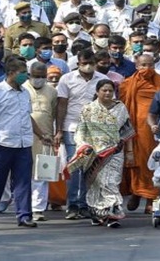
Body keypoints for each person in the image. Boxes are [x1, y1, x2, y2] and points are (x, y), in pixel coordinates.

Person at [0, 58, 51, 227]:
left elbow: (28, 116)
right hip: (2, 143)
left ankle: (24, 216)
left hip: (23, 143)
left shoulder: (25, 92)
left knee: (23, 181)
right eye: (22, 72)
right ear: (11, 73)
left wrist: (41, 135)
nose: (25, 75)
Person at [56, 49, 108, 220]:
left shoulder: (102, 80)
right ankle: (72, 205)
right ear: (77, 63)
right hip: (72, 128)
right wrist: (59, 130)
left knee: (90, 168)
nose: (87, 66)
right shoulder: (67, 79)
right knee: (74, 167)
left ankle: (84, 204)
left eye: (91, 63)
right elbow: (62, 105)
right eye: (84, 63)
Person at [72, 79, 130, 227]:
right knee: (95, 184)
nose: (108, 93)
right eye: (104, 90)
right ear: (97, 92)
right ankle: (97, 213)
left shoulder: (120, 108)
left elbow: (126, 129)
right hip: (93, 152)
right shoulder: (88, 109)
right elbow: (81, 130)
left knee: (111, 182)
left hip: (114, 151)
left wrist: (120, 145)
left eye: (110, 90)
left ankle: (112, 214)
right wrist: (83, 145)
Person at [119, 54, 160, 214]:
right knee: (136, 163)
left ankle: (151, 198)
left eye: (150, 65)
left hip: (156, 131)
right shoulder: (127, 84)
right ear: (136, 66)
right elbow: (122, 107)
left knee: (155, 163)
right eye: (143, 65)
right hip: (135, 131)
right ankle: (136, 192)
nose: (146, 69)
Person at [24, 62, 58, 222]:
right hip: (24, 137)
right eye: (35, 76)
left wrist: (56, 134)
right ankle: (22, 206)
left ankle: (37, 209)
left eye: (42, 76)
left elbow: (56, 113)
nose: (38, 79)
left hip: (45, 137)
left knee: (41, 174)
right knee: (23, 174)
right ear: (29, 74)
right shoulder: (22, 89)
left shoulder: (52, 91)